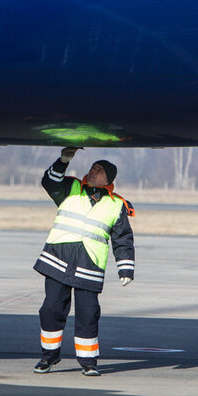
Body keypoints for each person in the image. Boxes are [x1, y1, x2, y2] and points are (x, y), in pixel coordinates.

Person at [32, 147, 135, 376]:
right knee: (51, 309)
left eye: (98, 170)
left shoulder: (117, 205)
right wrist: (64, 160)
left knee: (88, 315)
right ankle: (48, 358)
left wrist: (125, 268)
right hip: (58, 261)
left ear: (108, 179)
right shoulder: (71, 188)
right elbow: (49, 182)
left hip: (89, 267)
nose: (92, 171)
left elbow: (123, 239)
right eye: (92, 167)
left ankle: (89, 362)